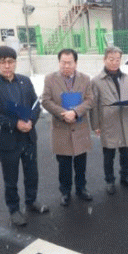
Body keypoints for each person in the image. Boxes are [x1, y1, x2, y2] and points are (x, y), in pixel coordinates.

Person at [0, 46, 49, 227]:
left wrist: (31, 121)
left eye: (10, 61)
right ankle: (14, 209)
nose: (7, 66)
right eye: (2, 62)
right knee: (10, 178)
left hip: (28, 136)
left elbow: (35, 105)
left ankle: (31, 201)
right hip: (7, 139)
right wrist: (15, 124)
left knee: (32, 173)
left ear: (15, 63)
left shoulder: (24, 81)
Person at [41, 49, 95, 206]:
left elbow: (90, 100)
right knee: (64, 164)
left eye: (69, 63)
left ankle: (81, 188)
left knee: (80, 162)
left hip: (80, 127)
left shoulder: (85, 79)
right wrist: (63, 113)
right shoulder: (50, 79)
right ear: (59, 62)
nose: (66, 66)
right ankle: (65, 192)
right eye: (63, 62)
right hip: (61, 127)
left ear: (75, 63)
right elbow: (46, 100)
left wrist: (76, 112)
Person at [90, 46, 128, 195]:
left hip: (125, 120)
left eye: (118, 59)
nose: (114, 62)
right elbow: (94, 105)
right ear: (104, 59)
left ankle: (125, 177)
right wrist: (95, 125)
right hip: (108, 122)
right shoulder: (97, 81)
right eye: (111, 59)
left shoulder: (126, 78)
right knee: (109, 155)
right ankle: (109, 181)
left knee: (125, 153)